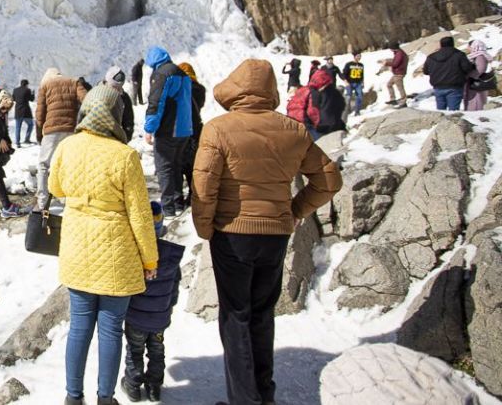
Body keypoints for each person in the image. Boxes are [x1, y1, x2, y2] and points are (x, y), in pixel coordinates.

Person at [192, 59, 342, 405]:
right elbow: (330, 180)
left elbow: (204, 184)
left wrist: (205, 227)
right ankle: (264, 393)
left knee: (235, 317)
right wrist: (293, 210)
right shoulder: (293, 129)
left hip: (232, 234)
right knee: (262, 313)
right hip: (274, 234)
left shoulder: (218, 129)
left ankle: (244, 399)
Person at [49, 85, 159, 405]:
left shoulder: (68, 146)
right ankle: (105, 398)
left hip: (76, 250)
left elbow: (55, 187)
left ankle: (73, 397)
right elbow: (140, 215)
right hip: (117, 255)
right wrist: (150, 260)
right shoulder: (125, 156)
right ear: (116, 116)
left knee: (79, 328)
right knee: (111, 331)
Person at [121, 201, 184, 403]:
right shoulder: (170, 257)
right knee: (157, 351)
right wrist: (169, 307)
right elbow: (175, 288)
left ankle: (132, 386)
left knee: (134, 351)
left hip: (136, 318)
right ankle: (154, 386)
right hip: (159, 317)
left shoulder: (134, 254)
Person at [143, 46, 193, 218]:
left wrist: (149, 128)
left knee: (164, 167)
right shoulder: (182, 73)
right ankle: (178, 203)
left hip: (169, 129)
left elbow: (156, 102)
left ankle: (168, 208)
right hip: (184, 129)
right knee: (176, 166)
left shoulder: (163, 74)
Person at [35, 68, 88, 209]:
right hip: (71, 130)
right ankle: (68, 199)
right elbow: (87, 101)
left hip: (51, 131)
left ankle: (42, 201)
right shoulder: (73, 82)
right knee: (68, 165)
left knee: (43, 165)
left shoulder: (45, 85)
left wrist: (40, 135)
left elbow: (39, 114)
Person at [287, 69, 345, 141]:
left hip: (293, 124)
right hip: (305, 126)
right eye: (326, 84)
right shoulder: (314, 93)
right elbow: (312, 112)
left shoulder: (304, 90)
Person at [177, 62, 206, 209]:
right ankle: (194, 193)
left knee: (181, 163)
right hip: (196, 130)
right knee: (194, 164)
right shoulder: (200, 89)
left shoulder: (182, 88)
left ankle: (180, 198)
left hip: (182, 129)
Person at [423, 36, 476, 111]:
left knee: (440, 111)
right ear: (452, 44)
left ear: (441, 44)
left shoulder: (431, 57)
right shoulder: (459, 55)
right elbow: (467, 68)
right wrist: (473, 65)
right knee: (453, 112)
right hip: (454, 86)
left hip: (438, 87)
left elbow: (425, 71)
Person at [102, 66, 134, 141]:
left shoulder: (124, 98)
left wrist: (126, 138)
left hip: (115, 140)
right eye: (114, 86)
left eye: (120, 87)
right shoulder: (97, 93)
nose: (118, 90)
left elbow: (128, 122)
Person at [465, 40, 492, 112]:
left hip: (476, 83)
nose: (468, 48)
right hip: (476, 81)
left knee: (476, 101)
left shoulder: (480, 56)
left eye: (469, 46)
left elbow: (480, 68)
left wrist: (469, 75)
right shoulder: (476, 55)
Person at [380, 42, 408, 107]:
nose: (390, 49)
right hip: (396, 73)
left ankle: (404, 102)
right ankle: (393, 99)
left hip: (399, 73)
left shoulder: (400, 54)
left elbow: (395, 64)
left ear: (393, 48)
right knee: (389, 84)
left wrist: (386, 63)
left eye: (390, 48)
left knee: (400, 88)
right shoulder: (398, 53)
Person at [12, 79, 35, 146]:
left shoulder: (15, 90)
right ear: (26, 84)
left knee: (18, 127)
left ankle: (17, 143)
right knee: (30, 125)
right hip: (26, 112)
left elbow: (13, 99)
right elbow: (31, 99)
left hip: (18, 111)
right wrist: (33, 94)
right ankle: (27, 139)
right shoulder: (28, 90)